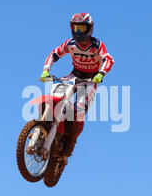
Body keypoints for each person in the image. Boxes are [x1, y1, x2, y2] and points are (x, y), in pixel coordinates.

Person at [39, 13, 114, 159]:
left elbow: (108, 59)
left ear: (89, 29)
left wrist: (101, 74)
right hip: (74, 75)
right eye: (76, 28)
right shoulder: (70, 44)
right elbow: (55, 54)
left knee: (80, 109)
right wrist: (45, 70)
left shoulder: (96, 44)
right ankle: (47, 125)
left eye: (82, 28)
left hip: (91, 79)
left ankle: (68, 147)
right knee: (55, 95)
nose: (78, 32)